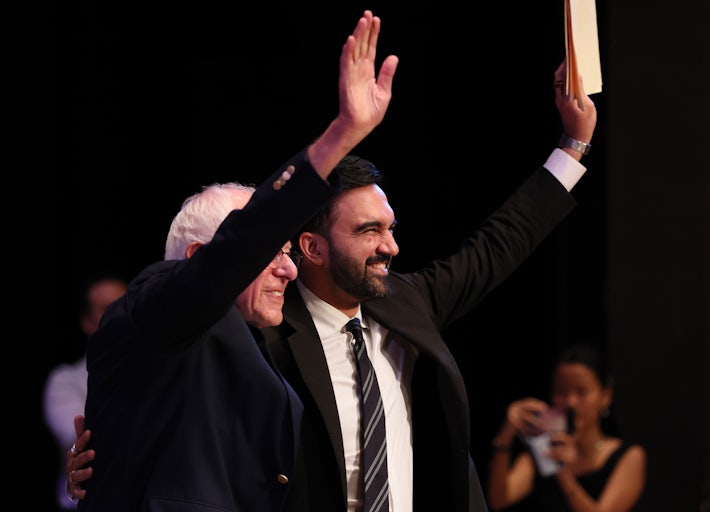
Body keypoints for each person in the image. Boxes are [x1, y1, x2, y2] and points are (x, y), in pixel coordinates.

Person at [69, 60, 596, 511]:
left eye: (390, 228)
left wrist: (572, 147)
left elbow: (496, 248)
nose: (391, 246)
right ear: (314, 247)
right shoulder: (256, 329)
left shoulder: (406, 303)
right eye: (368, 230)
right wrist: (111, 457)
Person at [67, 9, 398, 512]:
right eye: (270, 254)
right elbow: (241, 241)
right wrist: (340, 137)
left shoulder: (253, 341)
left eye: (287, 253)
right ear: (199, 259)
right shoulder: (157, 305)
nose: (289, 269)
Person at [486, 345, 646, 511]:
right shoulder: (544, 449)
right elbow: (499, 500)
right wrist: (506, 435)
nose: (570, 402)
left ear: (605, 396)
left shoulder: (629, 456)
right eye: (561, 391)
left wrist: (563, 474)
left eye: (581, 392)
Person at [43, 275, 128, 510]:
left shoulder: (154, 373)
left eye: (124, 304)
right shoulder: (65, 380)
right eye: (106, 308)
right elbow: (86, 441)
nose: (119, 314)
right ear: (87, 322)